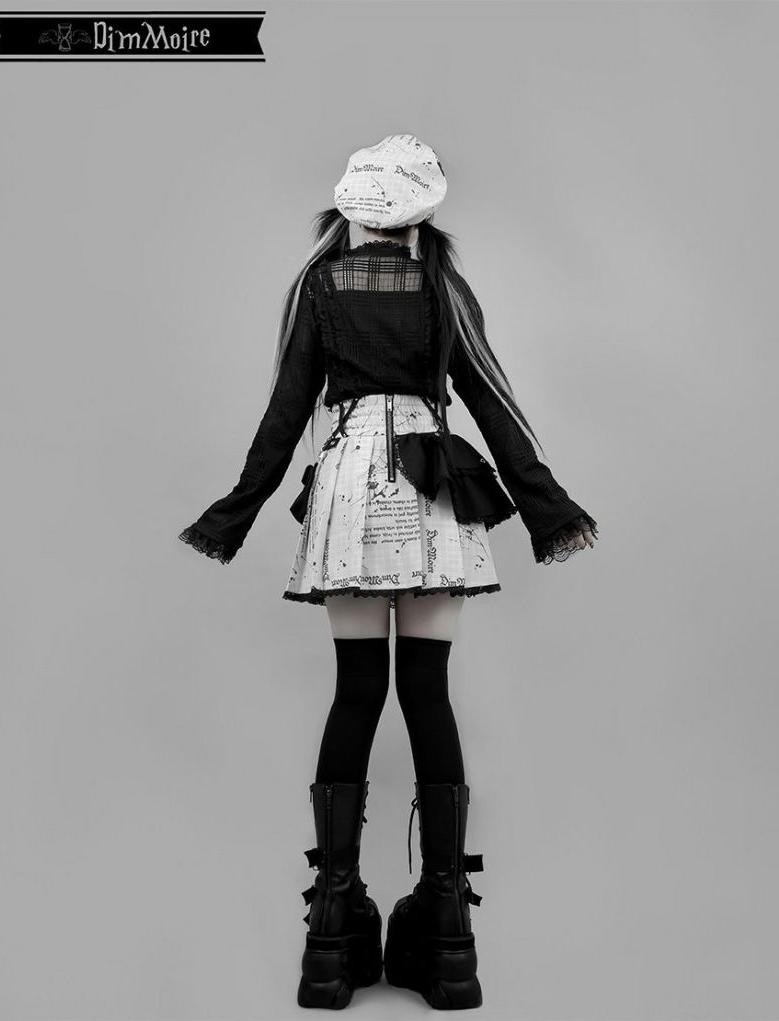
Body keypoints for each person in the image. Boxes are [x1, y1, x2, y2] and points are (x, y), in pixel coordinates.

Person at [178, 134, 599, 1011]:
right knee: (428, 693)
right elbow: (493, 403)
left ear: (351, 210)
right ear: (420, 214)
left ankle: (331, 929)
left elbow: (284, 416)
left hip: (348, 493)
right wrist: (548, 507)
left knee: (357, 689)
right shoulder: (443, 285)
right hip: (434, 484)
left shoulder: (319, 286)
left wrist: (234, 513)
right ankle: (448, 929)